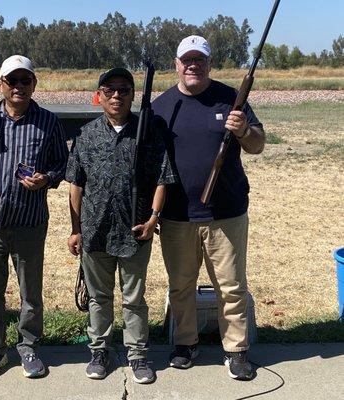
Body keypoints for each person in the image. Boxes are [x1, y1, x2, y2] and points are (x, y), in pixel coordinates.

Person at [151, 35, 265, 381]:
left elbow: (258, 145)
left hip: (226, 212)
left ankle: (236, 351)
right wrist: (152, 211)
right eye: (186, 59)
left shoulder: (232, 98)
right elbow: (149, 164)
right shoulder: (160, 106)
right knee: (181, 285)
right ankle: (186, 345)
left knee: (230, 286)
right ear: (176, 64)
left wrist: (243, 129)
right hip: (177, 214)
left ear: (209, 64)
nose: (192, 66)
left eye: (199, 60)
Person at [66, 68, 176, 384]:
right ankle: (99, 351)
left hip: (134, 232)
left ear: (132, 94)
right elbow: (76, 185)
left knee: (134, 299)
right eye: (110, 90)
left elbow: (161, 178)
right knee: (99, 298)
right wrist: (76, 228)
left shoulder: (147, 132)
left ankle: (138, 356)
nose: (117, 96)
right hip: (95, 231)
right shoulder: (86, 136)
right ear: (99, 95)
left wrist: (153, 219)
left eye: (124, 90)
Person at [0, 55, 69, 379]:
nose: (19, 86)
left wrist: (46, 179)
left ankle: (29, 346)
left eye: (25, 80)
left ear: (34, 84)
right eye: (12, 80)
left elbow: (62, 165)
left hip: (30, 223)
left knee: (30, 291)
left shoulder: (48, 121)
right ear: (1, 84)